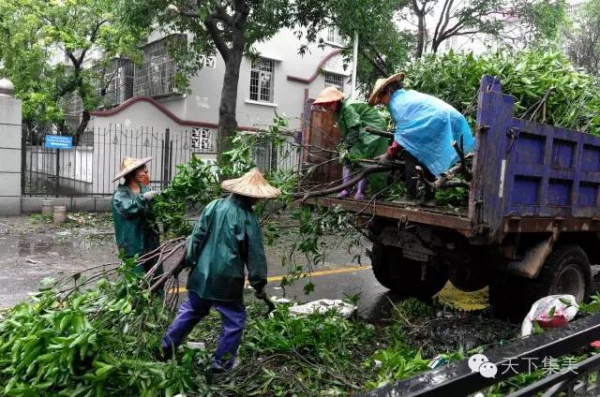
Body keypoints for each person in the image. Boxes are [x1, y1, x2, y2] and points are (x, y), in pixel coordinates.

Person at [161, 168, 280, 372]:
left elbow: (196, 237)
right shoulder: (247, 218)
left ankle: (165, 347)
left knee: (192, 309)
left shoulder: (213, 206)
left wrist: (189, 261)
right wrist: (259, 283)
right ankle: (221, 366)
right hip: (227, 280)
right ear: (252, 196)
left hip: (201, 274)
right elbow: (255, 257)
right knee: (234, 320)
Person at [369, 73, 475, 207]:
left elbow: (404, 134)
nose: (381, 102)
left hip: (437, 118)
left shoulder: (397, 103)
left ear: (389, 92)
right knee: (428, 154)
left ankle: (410, 196)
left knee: (410, 152)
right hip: (447, 116)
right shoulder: (405, 96)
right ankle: (430, 197)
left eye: (381, 97)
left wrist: (389, 154)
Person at [312, 86, 389, 201]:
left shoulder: (348, 107)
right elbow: (347, 130)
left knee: (362, 160)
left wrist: (344, 147)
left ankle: (359, 192)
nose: (326, 108)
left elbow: (354, 130)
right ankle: (346, 189)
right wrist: (343, 148)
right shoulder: (339, 111)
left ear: (335, 102)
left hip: (373, 130)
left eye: (328, 104)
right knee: (347, 159)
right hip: (362, 130)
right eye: (325, 106)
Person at [111, 156, 161, 276]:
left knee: (156, 280)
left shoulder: (146, 189)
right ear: (132, 174)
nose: (146, 171)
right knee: (136, 284)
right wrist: (143, 198)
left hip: (151, 245)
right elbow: (128, 208)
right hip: (133, 248)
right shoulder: (120, 195)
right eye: (142, 169)